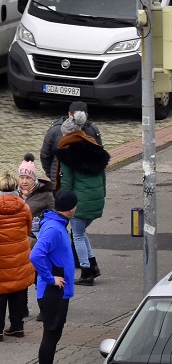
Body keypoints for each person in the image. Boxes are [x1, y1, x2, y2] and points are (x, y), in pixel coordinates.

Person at [29, 189, 78, 364]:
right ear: (71, 208)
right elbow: (36, 255)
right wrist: (50, 278)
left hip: (58, 291)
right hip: (52, 292)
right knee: (50, 336)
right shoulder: (54, 229)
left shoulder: (57, 224)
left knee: (54, 335)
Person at [55, 116, 110, 286]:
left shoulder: (67, 154)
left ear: (66, 134)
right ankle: (93, 265)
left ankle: (86, 272)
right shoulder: (95, 148)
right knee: (81, 232)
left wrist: (62, 203)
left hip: (80, 202)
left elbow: (66, 183)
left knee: (77, 235)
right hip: (96, 200)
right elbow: (103, 178)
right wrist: (102, 196)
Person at [0, 171, 36, 339]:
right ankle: (17, 327)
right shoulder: (24, 207)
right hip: (20, 255)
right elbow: (28, 230)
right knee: (17, 289)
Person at [41, 101, 102, 186]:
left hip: (71, 181)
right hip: (68, 181)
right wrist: (53, 176)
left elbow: (45, 156)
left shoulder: (92, 131)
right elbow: (45, 156)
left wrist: (53, 176)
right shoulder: (55, 131)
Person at [18, 154, 54, 240]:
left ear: (34, 179)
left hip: (35, 237)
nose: (24, 181)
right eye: (22, 178)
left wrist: (41, 224)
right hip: (17, 235)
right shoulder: (15, 192)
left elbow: (55, 214)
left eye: (28, 178)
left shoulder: (45, 193)